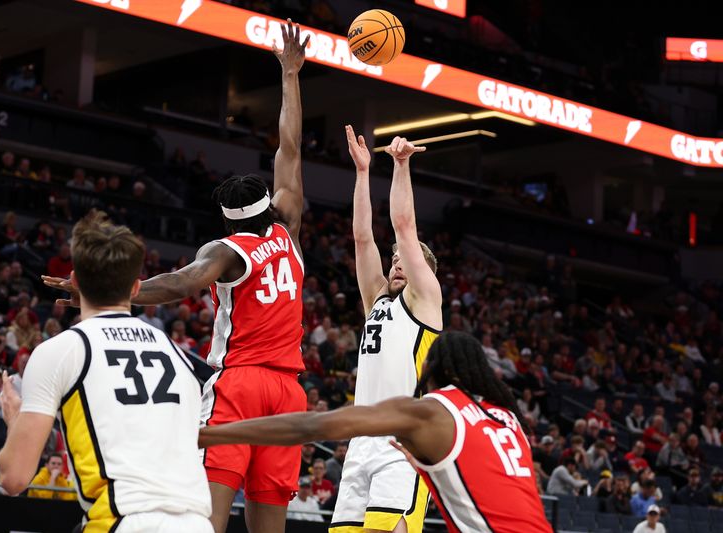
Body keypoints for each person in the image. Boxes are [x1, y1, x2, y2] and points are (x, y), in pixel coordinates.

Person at [43, 20, 310, 533]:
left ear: (229, 218)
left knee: (205, 519)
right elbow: (290, 150)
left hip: (241, 383)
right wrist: (290, 75)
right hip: (290, 391)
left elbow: (182, 284)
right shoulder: (289, 227)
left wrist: (108, 288)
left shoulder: (227, 248)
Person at [200, 332, 552, 533]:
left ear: (433, 368)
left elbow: (313, 425)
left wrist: (213, 434)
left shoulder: (431, 411)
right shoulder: (507, 417)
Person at [0, 211, 213, 532]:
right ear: (138, 288)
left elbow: (14, 479)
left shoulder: (60, 350)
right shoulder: (178, 355)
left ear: (76, 282)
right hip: (197, 523)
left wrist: (14, 419)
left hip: (124, 519)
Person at [327, 126, 441, 533]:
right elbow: (361, 239)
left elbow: (404, 227)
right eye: (392, 258)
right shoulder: (377, 299)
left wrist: (401, 164)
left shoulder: (426, 300)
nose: (395, 262)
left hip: (403, 442)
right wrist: (361, 174)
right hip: (362, 441)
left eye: (403, 259)